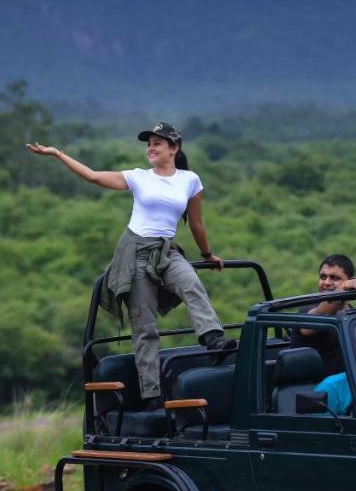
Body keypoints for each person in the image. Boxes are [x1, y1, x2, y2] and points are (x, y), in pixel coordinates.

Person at [27, 122, 231, 406]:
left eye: (157, 143)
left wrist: (208, 254)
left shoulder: (190, 180)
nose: (150, 147)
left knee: (191, 283)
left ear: (174, 148)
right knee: (144, 327)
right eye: (148, 143)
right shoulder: (138, 177)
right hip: (135, 251)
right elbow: (94, 177)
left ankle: (213, 340)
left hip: (166, 251)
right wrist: (58, 155)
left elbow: (196, 222)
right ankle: (152, 394)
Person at [289, 254, 356, 376]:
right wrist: (343, 287)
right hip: (317, 390)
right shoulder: (307, 310)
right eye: (323, 277)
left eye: (334, 278)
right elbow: (317, 318)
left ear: (351, 280)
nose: (326, 282)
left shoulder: (354, 315)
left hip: (354, 388)